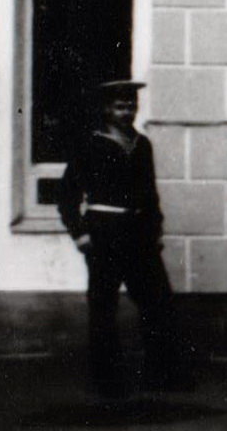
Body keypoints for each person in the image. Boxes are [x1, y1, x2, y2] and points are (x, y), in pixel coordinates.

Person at [57, 78, 190, 397]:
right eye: (120, 105)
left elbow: (150, 193)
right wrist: (80, 234)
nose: (127, 110)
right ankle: (108, 381)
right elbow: (67, 195)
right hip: (104, 234)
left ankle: (162, 373)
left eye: (131, 105)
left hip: (140, 234)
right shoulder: (90, 144)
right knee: (104, 307)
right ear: (106, 109)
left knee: (158, 302)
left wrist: (156, 228)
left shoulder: (142, 144)